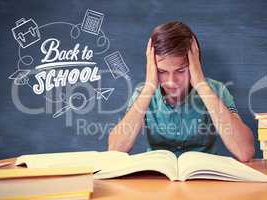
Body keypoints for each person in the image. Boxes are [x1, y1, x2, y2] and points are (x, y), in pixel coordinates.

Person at [108, 21, 255, 162]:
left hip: (204, 179)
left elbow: (245, 151)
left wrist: (201, 84)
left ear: (195, 65)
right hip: (157, 179)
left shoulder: (216, 90)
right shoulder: (143, 92)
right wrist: (149, 86)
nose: (171, 81)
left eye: (180, 70)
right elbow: (115, 149)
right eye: (162, 71)